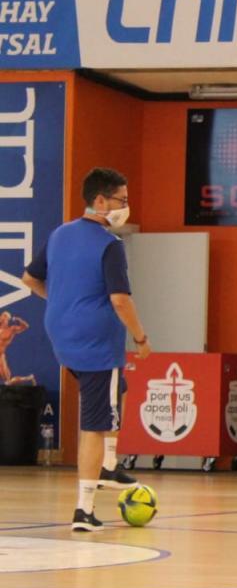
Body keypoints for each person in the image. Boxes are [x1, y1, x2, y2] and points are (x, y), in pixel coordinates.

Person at [21, 167, 152, 532]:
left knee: (117, 392)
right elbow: (120, 300)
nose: (126, 207)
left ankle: (110, 465)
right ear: (99, 201)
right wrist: (141, 339)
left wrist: (61, 301)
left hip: (62, 336)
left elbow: (30, 278)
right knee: (94, 423)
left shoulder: (60, 234)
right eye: (121, 201)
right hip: (96, 342)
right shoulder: (110, 245)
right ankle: (84, 509)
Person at [0, 311, 31, 383]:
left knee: (7, 379)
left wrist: (18, 319)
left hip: (0, 356)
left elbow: (25, 326)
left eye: (4, 316)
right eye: (1, 316)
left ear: (8, 319)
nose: (2, 317)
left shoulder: (11, 329)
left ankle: (28, 378)